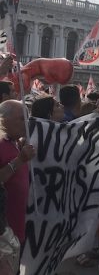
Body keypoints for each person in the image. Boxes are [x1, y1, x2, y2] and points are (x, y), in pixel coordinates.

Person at [0, 100, 36, 244]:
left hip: (17, 226)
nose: (26, 123)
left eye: (27, 118)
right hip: (4, 232)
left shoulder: (15, 142)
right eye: (21, 118)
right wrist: (19, 160)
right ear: (3, 119)